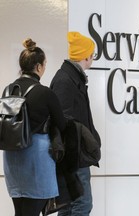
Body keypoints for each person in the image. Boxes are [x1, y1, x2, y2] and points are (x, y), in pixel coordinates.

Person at [2, 38, 66, 216]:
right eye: (44, 64)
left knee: (20, 210)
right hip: (36, 156)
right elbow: (62, 124)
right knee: (33, 209)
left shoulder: (8, 90)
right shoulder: (45, 93)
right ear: (38, 67)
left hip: (12, 155)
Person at [50, 31, 100, 216]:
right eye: (92, 54)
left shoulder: (71, 77)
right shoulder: (66, 80)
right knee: (82, 204)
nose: (93, 57)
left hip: (73, 154)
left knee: (69, 205)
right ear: (86, 56)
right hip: (73, 155)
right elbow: (63, 121)